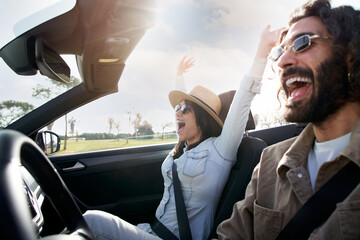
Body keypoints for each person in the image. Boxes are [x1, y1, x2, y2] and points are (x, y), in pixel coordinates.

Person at [81, 25, 283, 240]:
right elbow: (181, 113)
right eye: (177, 108)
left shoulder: (220, 150)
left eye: (185, 109)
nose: (177, 113)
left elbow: (243, 97)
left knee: (93, 222)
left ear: (203, 120)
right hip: (151, 230)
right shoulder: (182, 148)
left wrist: (263, 50)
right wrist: (178, 76)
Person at [216, 0, 360, 239]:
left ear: (350, 55)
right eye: (280, 51)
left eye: (302, 43)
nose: (282, 61)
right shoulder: (270, 162)